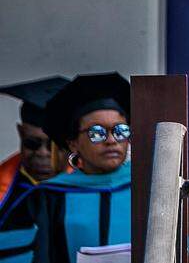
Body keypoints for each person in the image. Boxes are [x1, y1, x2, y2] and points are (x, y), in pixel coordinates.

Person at [29, 73, 131, 263]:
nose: (111, 141)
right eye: (97, 133)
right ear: (73, 143)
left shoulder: (150, 188)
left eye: (120, 131)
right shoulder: (49, 196)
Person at [0, 77, 70, 263]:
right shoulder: (4, 191)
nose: (42, 153)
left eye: (54, 146)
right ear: (21, 133)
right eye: (32, 143)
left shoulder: (88, 191)